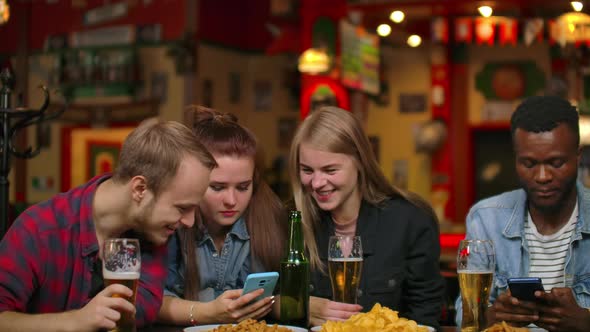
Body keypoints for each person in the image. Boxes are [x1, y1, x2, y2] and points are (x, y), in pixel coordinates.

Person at [0, 119, 216, 332]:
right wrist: (74, 322)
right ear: (140, 188)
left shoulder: (152, 231)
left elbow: (145, 308)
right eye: (182, 208)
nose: (189, 222)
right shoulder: (41, 229)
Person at [288, 106, 445, 329]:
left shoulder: (410, 219)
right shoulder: (292, 222)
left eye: (330, 170)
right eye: (307, 170)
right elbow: (269, 305)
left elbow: (425, 318)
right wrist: (298, 306)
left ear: (360, 162)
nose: (317, 183)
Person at [455, 95, 590, 332]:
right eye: (529, 164)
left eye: (556, 163)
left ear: (578, 157)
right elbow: (464, 316)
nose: (542, 176)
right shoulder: (486, 219)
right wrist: (491, 317)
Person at [158, 106, 287, 325]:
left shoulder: (270, 218)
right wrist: (207, 313)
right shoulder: (171, 223)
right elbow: (150, 301)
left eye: (243, 187)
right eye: (217, 187)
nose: (231, 200)